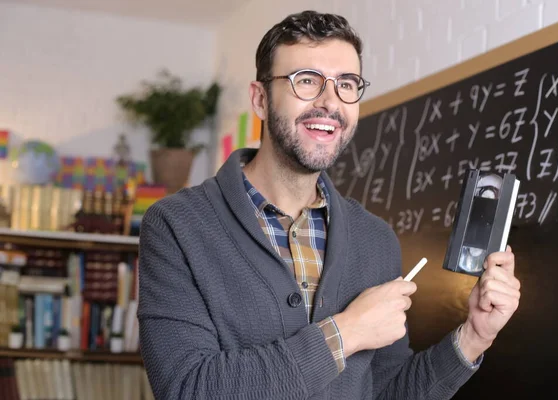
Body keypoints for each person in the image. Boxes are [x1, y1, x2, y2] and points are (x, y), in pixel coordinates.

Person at [138, 10, 521, 400]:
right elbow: (186, 388)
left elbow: (386, 392)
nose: (330, 102)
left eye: (347, 84)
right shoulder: (176, 225)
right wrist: (346, 332)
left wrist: (474, 336)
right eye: (306, 81)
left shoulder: (375, 240)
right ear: (260, 99)